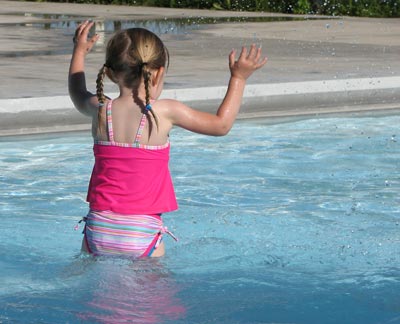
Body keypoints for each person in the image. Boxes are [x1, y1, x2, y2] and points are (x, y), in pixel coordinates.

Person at [69, 20, 267, 259]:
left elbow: (77, 92)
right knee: (153, 295)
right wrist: (239, 78)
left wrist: (79, 52)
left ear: (109, 73)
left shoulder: (101, 109)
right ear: (159, 72)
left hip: (98, 229)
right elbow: (221, 125)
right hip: (140, 231)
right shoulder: (164, 111)